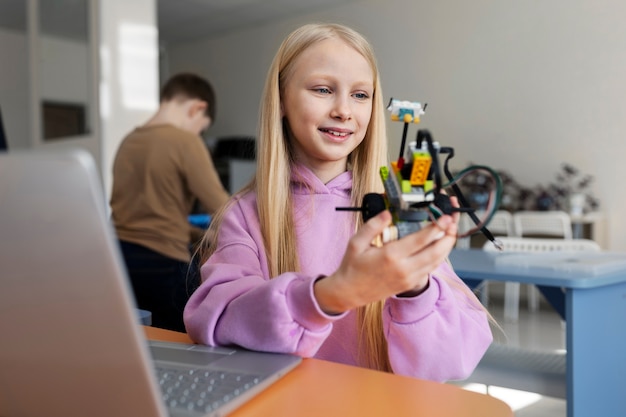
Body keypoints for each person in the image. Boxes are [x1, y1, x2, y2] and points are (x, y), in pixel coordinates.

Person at [184, 23, 492, 382]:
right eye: (322, 89)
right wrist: (327, 296)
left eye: (361, 95)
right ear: (281, 100)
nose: (344, 110)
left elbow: (448, 364)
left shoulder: (397, 216)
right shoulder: (246, 214)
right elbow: (216, 320)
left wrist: (415, 288)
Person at [111, 72, 229, 332]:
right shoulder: (185, 141)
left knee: (139, 337)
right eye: (202, 127)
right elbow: (221, 208)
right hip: (164, 264)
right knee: (182, 341)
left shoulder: (128, 143)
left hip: (120, 261)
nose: (199, 133)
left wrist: (200, 234)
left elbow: (146, 216)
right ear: (198, 108)